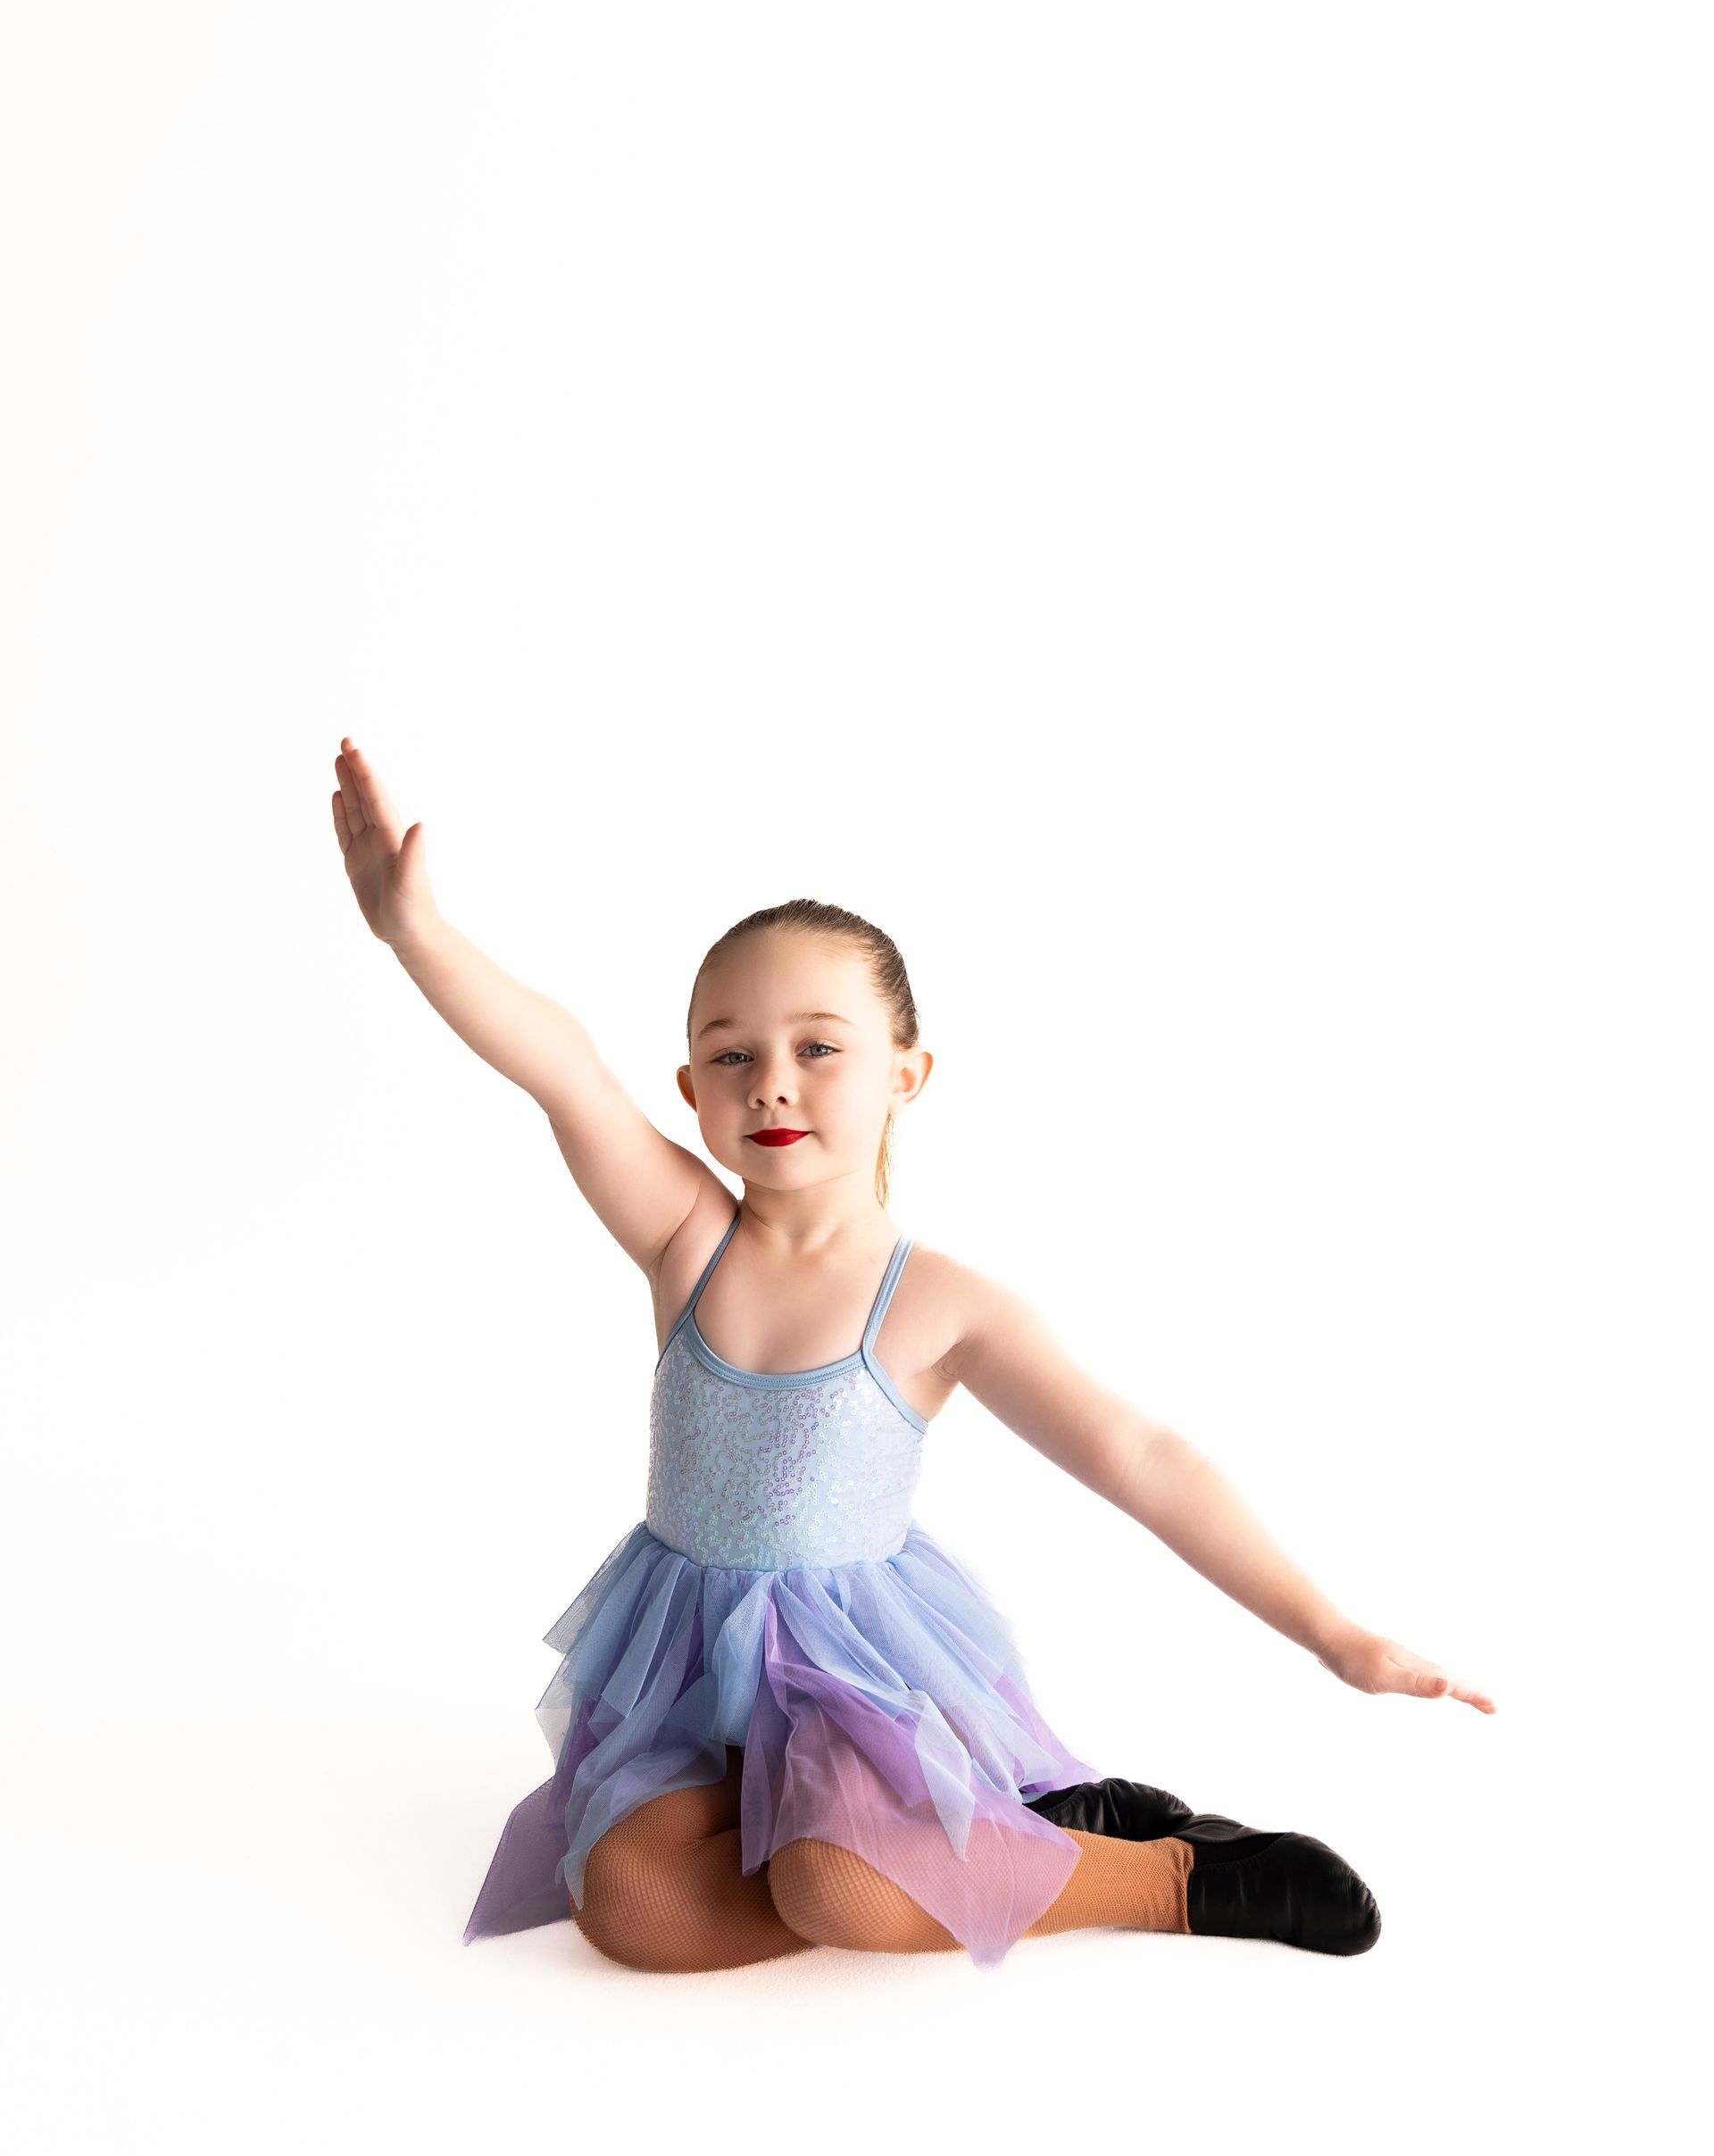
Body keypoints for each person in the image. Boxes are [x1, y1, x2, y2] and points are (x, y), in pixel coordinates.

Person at [331, 738, 1495, 1975]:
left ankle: (1168, 1874)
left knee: (833, 1887)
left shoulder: (935, 1303)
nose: (771, 1084)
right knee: (631, 1908)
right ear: (690, 1086)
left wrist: (1332, 1632)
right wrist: (420, 936)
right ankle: (970, 1843)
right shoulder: (686, 1240)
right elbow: (565, 1070)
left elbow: (1141, 1455)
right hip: (689, 1664)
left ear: (907, 1074)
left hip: (851, 1676)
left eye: (818, 1048)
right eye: (732, 1055)